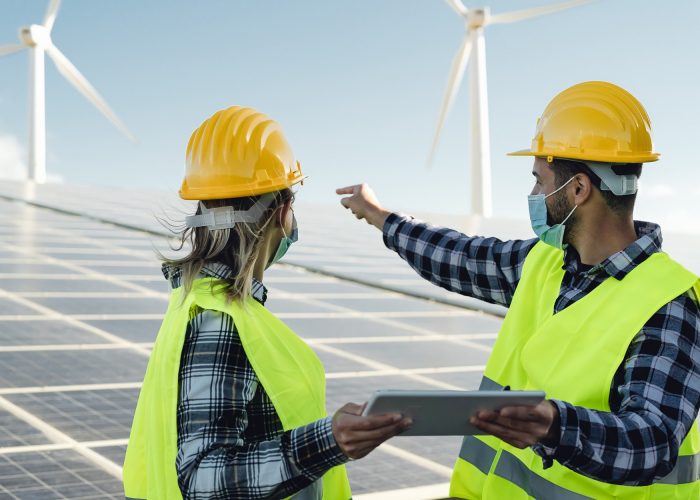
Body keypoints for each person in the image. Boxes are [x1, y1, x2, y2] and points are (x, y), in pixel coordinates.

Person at [336, 81, 700, 498]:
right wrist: (380, 216)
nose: (533, 195)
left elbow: (652, 440)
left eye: (539, 182)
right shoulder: (545, 264)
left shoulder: (667, 303)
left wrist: (556, 425)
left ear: (578, 190)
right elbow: (458, 256)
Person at [123, 106, 411, 499]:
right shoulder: (217, 321)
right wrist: (330, 441)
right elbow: (200, 479)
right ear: (282, 211)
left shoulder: (201, 305)